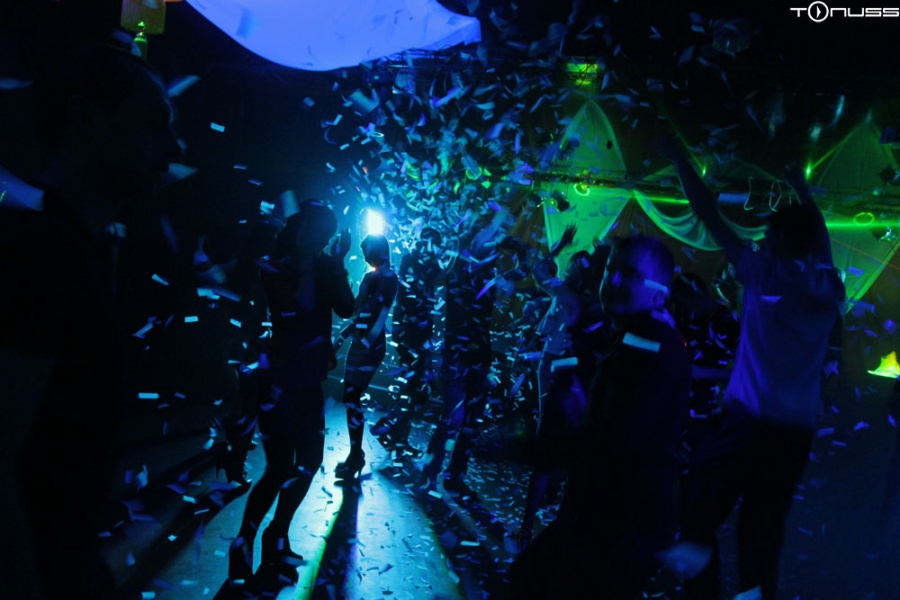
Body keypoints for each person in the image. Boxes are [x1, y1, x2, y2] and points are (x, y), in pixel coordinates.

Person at [0, 42, 181, 599]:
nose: (173, 147)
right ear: (84, 119)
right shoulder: (42, 254)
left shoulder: (76, 250)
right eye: (153, 124)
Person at [657, 138, 846, 600]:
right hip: (793, 435)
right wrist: (802, 191)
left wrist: (680, 158)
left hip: (746, 424)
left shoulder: (764, 272)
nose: (761, 239)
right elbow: (819, 239)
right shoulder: (827, 285)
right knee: (760, 538)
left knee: (698, 516)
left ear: (777, 240)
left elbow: (707, 213)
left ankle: (700, 595)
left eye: (767, 235)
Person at [510, 235, 692, 599]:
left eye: (630, 274)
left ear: (659, 293)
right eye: (611, 269)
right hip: (601, 517)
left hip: (620, 528)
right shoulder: (632, 335)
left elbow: (613, 442)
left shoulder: (652, 344)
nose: (614, 280)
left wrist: (516, 449)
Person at [228, 201, 354, 585]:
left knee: (310, 461)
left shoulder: (326, 265)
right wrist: (316, 266)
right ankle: (243, 543)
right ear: (302, 229)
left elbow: (347, 307)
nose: (324, 240)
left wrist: (337, 264)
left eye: (328, 235)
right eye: (320, 232)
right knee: (280, 468)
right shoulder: (276, 266)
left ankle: (277, 535)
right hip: (279, 381)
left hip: (309, 381)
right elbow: (295, 307)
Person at [418, 207, 519, 493]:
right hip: (456, 355)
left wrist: (518, 252)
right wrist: (496, 222)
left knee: (472, 419)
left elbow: (517, 277)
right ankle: (430, 471)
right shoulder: (458, 272)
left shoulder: (489, 278)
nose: (491, 246)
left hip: (480, 355)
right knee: (453, 417)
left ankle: (455, 476)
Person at [371, 227, 443, 456]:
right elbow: (411, 295)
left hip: (416, 334)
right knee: (415, 386)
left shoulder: (424, 263)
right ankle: (389, 427)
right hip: (410, 334)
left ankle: (398, 436)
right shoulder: (412, 261)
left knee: (416, 387)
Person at [332, 233, 398, 479]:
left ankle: (356, 455)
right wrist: (345, 336)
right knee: (350, 398)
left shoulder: (387, 277)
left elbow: (379, 313)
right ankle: (355, 454)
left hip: (369, 345)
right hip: (362, 342)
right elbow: (359, 313)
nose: (364, 256)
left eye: (366, 251)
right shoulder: (373, 276)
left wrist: (366, 339)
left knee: (352, 397)